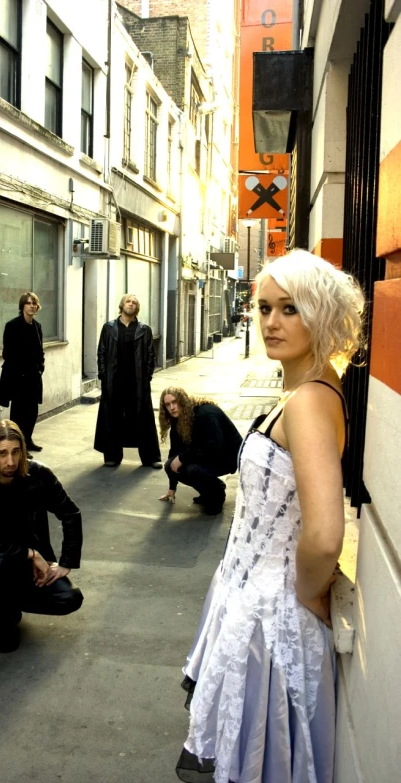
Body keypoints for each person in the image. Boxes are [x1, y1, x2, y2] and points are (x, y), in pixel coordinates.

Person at [175, 250, 365, 782]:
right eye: (263, 308)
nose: (271, 322)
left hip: (273, 619)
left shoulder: (308, 402)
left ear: (320, 312)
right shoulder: (306, 391)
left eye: (290, 308)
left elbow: (325, 534)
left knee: (259, 761)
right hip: (251, 606)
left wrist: (305, 595)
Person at [0, 419, 83, 653]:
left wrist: (66, 563)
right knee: (4, 644)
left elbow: (70, 513)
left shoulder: (38, 474)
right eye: (2, 453)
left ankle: (8, 604)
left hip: (25, 560)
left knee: (69, 598)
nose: (10, 461)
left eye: (16, 452)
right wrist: (31, 554)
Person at [94, 293, 162, 468]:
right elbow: (101, 352)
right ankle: (112, 456)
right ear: (122, 305)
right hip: (114, 381)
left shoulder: (144, 329)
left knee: (143, 418)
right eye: (128, 301)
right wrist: (103, 375)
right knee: (112, 418)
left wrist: (147, 376)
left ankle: (150, 457)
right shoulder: (109, 328)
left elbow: (150, 355)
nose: (131, 304)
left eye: (134, 302)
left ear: (137, 308)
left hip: (137, 382)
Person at [158, 388, 242, 515]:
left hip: (226, 456)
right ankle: (211, 489)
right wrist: (172, 488)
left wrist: (183, 458)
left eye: (175, 402)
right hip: (204, 453)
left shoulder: (206, 414)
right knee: (170, 465)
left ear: (183, 401)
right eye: (168, 405)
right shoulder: (178, 418)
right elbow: (174, 453)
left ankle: (216, 496)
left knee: (193, 470)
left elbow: (214, 449)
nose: (172, 408)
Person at [0, 292, 45, 453]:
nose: (32, 306)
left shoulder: (37, 327)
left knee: (32, 412)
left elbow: (40, 351)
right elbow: (7, 353)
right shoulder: (12, 326)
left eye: (34, 303)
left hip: (33, 377)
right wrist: (21, 370)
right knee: (18, 414)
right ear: (22, 306)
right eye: (28, 303)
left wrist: (40, 367)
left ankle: (28, 441)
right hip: (18, 378)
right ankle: (17, 447)